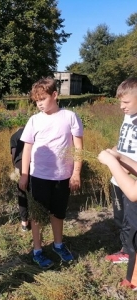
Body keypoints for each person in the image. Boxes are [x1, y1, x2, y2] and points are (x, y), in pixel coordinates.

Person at [19, 77, 83, 269]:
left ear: (54, 95)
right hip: (39, 176)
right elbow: (27, 149)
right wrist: (24, 174)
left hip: (63, 176)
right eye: (36, 100)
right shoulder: (34, 120)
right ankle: (37, 250)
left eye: (42, 99)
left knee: (58, 213)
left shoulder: (70, 116)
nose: (39, 104)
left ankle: (58, 245)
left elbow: (78, 148)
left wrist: (76, 173)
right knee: (38, 215)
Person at [98, 77, 137, 290]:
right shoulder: (127, 118)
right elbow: (122, 143)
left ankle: (131, 259)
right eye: (120, 102)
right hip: (119, 175)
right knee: (121, 216)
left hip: (131, 180)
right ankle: (126, 250)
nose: (121, 106)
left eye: (126, 102)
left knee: (134, 224)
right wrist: (115, 153)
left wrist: (115, 161)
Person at [10, 127, 30, 231]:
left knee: (22, 192)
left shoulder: (14, 136)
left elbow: (14, 154)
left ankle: (24, 222)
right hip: (34, 161)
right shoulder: (32, 131)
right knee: (35, 190)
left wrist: (16, 167)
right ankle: (38, 217)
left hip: (20, 162)